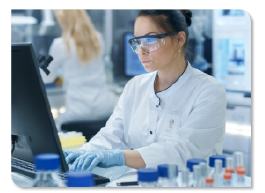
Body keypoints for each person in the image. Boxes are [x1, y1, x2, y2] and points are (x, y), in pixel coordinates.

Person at [64, 9, 226, 172]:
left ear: (179, 39)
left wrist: (119, 157)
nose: (142, 50)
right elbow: (112, 136)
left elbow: (184, 151)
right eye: (138, 42)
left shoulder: (209, 92)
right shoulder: (135, 86)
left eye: (150, 39)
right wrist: (83, 153)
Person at [40, 9, 116, 131]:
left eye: (58, 17)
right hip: (105, 107)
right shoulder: (98, 39)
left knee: (53, 129)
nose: (58, 21)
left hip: (78, 112)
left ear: (65, 19)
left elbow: (46, 77)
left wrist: (41, 65)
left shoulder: (60, 44)